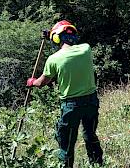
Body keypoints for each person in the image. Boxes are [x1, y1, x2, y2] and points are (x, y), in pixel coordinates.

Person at [27, 20, 104, 167]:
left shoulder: (54, 59)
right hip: (91, 101)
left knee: (66, 142)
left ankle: (66, 166)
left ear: (56, 38)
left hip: (71, 105)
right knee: (90, 135)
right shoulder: (86, 49)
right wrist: (52, 34)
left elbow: (42, 82)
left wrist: (32, 82)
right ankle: (97, 163)